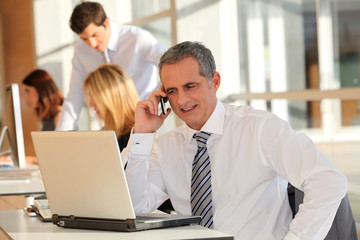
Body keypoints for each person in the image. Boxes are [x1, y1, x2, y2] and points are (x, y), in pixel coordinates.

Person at [122, 41, 348, 239]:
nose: (182, 99)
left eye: (190, 86)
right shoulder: (164, 146)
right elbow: (134, 207)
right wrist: (143, 134)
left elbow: (328, 180)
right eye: (172, 91)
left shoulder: (260, 128)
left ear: (215, 81)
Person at [56, 1, 167, 131]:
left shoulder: (137, 38)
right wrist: (61, 136)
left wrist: (154, 98)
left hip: (145, 119)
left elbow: (172, 66)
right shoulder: (81, 51)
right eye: (84, 39)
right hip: (111, 124)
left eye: (94, 35)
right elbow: (74, 96)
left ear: (106, 22)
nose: (91, 43)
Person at [82, 63, 139, 151]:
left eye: (94, 96)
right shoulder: (105, 135)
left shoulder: (139, 136)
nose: (91, 104)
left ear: (113, 96)